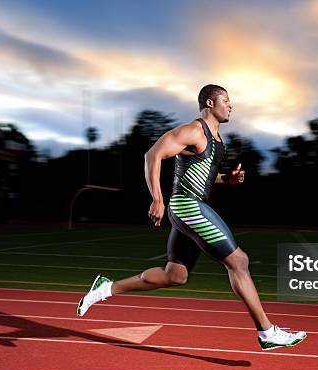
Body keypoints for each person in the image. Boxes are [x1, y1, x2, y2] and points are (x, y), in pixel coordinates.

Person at [77, 84, 306, 350]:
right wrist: (157, 198)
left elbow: (204, 176)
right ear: (209, 103)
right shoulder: (194, 130)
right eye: (225, 100)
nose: (230, 105)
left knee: (175, 276)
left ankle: (105, 288)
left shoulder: (217, 141)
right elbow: (152, 155)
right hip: (187, 206)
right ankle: (267, 332)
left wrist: (227, 179)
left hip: (192, 207)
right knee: (239, 261)